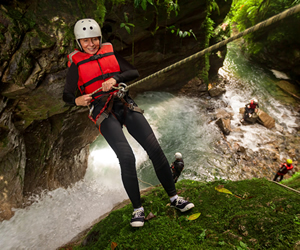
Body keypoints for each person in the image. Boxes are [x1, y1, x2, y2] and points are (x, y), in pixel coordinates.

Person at [63, 18, 194, 228]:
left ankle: (174, 198)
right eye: (86, 41)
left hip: (123, 103)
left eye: (95, 39)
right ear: (79, 42)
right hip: (102, 112)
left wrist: (115, 78)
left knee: (155, 149)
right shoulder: (76, 66)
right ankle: (137, 209)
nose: (91, 44)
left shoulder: (109, 53)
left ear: (100, 38)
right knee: (126, 157)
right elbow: (67, 95)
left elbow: (133, 72)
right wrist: (77, 100)